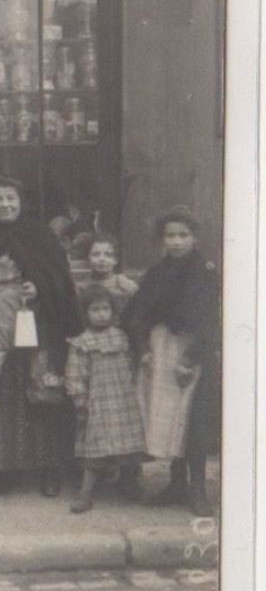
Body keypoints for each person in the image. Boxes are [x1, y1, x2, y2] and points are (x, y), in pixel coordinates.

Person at [0, 177, 82, 497]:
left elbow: (58, 277)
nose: (5, 205)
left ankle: (47, 468)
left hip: (33, 319)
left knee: (40, 388)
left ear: (22, 202)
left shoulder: (40, 235)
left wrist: (39, 286)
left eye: (11, 199)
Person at [122, 206, 219, 517]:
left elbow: (209, 319)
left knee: (194, 418)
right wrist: (143, 348)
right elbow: (140, 311)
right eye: (170, 236)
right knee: (171, 417)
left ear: (194, 238)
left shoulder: (204, 271)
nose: (176, 242)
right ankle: (176, 484)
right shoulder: (158, 272)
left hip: (193, 348)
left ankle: (197, 489)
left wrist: (191, 358)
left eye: (183, 235)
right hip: (162, 347)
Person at [64, 285, 148, 513]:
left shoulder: (122, 337)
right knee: (95, 448)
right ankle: (86, 493)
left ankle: (129, 483)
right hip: (98, 403)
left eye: (105, 309)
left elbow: (132, 364)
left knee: (130, 445)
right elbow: (75, 373)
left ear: (113, 311)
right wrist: (79, 399)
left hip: (124, 401)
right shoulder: (82, 342)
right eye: (95, 309)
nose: (101, 314)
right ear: (86, 313)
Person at [81, 233, 138, 321]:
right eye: (96, 254)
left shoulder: (127, 286)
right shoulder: (83, 289)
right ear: (87, 259)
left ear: (116, 260)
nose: (102, 259)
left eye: (108, 255)